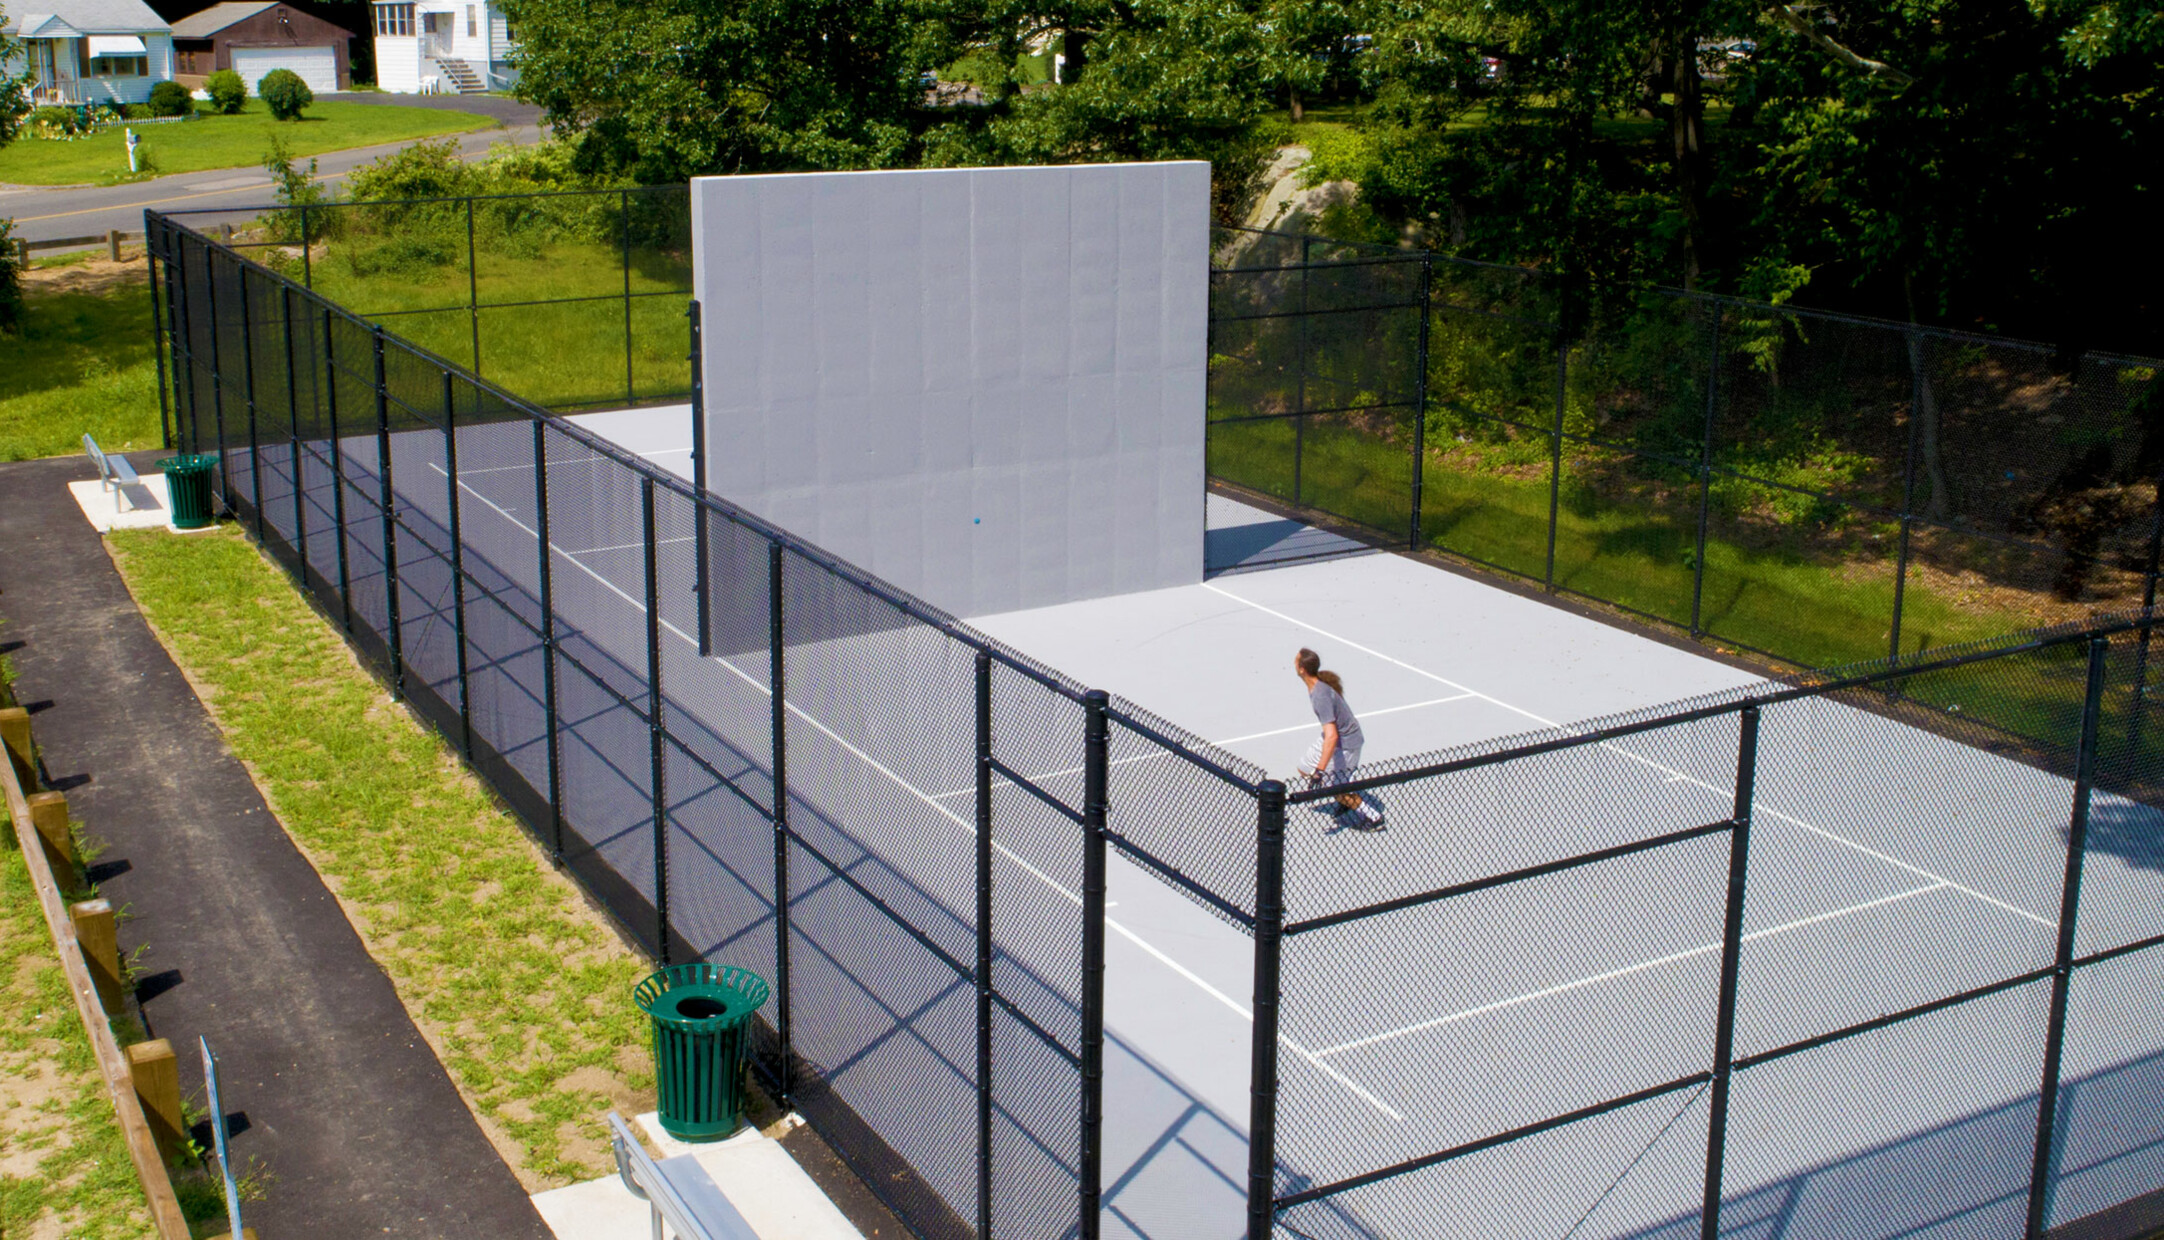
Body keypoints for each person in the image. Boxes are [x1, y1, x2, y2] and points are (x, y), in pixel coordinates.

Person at [1294, 648, 1384, 830]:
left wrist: (1320, 770)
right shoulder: (1317, 686)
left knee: (1334, 789)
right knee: (1304, 768)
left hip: (1347, 744)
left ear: (1302, 669)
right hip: (1336, 738)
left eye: (1296, 661)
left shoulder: (1320, 696)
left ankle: (1375, 818)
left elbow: (1332, 736)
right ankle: (1344, 793)